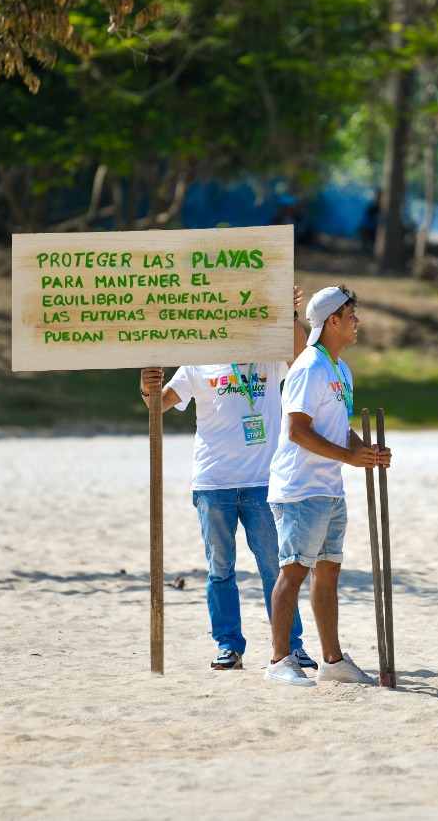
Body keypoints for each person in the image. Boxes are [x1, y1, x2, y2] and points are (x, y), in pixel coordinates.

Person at [139, 286, 312, 671]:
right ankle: (229, 645)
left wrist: (288, 315)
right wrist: (146, 385)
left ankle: (291, 645)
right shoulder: (199, 363)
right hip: (213, 484)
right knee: (221, 570)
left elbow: (301, 357)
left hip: (265, 483)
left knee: (277, 567)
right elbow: (159, 405)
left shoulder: (267, 358)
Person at [262, 285, 392, 687]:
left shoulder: (340, 369)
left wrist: (364, 451)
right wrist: (349, 457)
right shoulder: (308, 367)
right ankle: (279, 660)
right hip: (300, 487)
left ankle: (332, 661)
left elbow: (340, 428)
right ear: (332, 320)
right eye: (351, 315)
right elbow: (297, 431)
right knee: (294, 571)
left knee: (328, 572)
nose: (357, 322)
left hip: (329, 487)